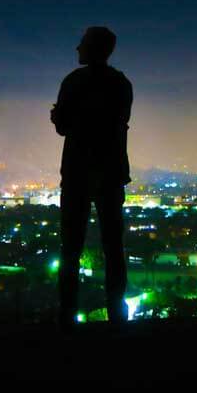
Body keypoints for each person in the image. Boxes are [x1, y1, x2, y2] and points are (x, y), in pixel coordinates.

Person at [50, 26, 133, 331]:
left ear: (93, 48)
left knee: (71, 245)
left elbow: (62, 125)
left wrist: (60, 116)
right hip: (111, 171)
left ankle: (67, 314)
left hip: (77, 171)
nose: (77, 49)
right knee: (114, 244)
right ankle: (116, 313)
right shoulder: (121, 84)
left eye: (82, 44)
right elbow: (119, 120)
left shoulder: (74, 82)